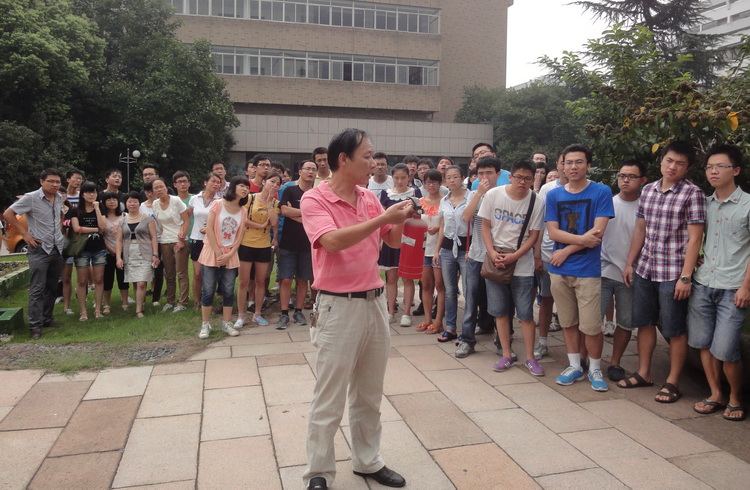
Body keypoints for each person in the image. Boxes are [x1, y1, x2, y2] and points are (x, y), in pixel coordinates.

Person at [300, 128, 410, 490]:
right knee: (329, 396)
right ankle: (318, 471)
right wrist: (383, 219)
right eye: (367, 156)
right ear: (343, 159)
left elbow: (391, 241)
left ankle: (367, 460)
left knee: (369, 393)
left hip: (374, 303)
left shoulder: (369, 197)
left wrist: (400, 218)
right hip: (337, 306)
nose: (374, 163)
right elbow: (331, 241)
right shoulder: (315, 199)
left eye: (374, 155)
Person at [621, 141, 706, 403]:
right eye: (669, 160)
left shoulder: (692, 194)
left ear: (687, 168)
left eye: (680, 163)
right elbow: (640, 229)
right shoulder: (648, 190)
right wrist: (630, 263)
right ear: (661, 161)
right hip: (646, 268)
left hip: (673, 273)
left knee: (674, 328)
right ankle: (644, 373)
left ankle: (673, 382)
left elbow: (695, 238)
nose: (672, 167)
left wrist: (685, 276)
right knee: (644, 323)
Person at [688, 143, 750, 421]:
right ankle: (715, 394)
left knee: (726, 349)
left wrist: (746, 287)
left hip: (733, 288)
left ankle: (735, 398)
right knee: (703, 343)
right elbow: (695, 238)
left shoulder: (748, 205)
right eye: (709, 167)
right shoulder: (704, 204)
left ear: (735, 170)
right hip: (703, 284)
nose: (713, 171)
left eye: (720, 166)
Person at [546, 144, 614, 392]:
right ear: (562, 166)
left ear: (588, 165)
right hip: (559, 270)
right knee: (568, 322)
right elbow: (553, 232)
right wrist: (581, 240)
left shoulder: (601, 191)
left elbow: (598, 233)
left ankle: (595, 368)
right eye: (568, 162)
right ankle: (574, 365)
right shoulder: (554, 195)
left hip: (587, 270)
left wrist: (566, 250)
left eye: (579, 162)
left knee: (592, 326)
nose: (573, 167)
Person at [480, 160, 546, 374]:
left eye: (528, 178)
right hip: (496, 261)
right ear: (510, 177)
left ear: (533, 179)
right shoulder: (493, 195)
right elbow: (485, 226)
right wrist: (492, 253)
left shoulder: (536, 201)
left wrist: (515, 256)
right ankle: (506, 354)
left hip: (522, 265)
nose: (522, 182)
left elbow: (534, 235)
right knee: (500, 312)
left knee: (526, 314)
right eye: (518, 177)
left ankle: (530, 357)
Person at [4, 169, 65, 339]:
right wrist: (25, 234)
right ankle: (35, 326)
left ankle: (46, 319)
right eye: (51, 181)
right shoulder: (31, 198)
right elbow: (8, 213)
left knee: (52, 286)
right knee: (37, 288)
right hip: (39, 248)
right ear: (42, 182)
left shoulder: (59, 197)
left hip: (56, 248)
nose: (55, 185)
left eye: (57, 182)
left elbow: (58, 217)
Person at [601, 161, 647, 381]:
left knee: (625, 322)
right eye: (622, 175)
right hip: (602, 270)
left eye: (631, 176)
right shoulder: (607, 203)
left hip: (630, 274)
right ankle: (585, 359)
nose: (625, 180)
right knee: (592, 320)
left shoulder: (645, 207)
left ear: (643, 180)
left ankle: (615, 362)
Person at [454, 156, 501, 358]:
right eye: (480, 174)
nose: (484, 177)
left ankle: (502, 341)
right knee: (471, 300)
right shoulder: (473, 194)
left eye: (489, 173)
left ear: (498, 174)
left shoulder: (504, 194)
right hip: (475, 255)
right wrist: (479, 193)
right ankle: (467, 340)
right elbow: (465, 217)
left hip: (496, 256)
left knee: (499, 301)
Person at [198, 176, 250, 339]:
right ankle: (205, 324)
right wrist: (218, 252)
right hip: (212, 251)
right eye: (242, 186)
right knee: (208, 290)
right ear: (233, 187)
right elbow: (209, 229)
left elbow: (240, 235)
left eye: (247, 187)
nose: (245, 189)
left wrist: (230, 254)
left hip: (230, 254)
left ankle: (226, 323)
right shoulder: (218, 204)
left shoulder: (243, 211)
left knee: (228, 290)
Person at [236, 172, 281, 327]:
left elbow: (273, 222)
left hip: (263, 245)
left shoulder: (275, 203)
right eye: (272, 181)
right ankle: (241, 315)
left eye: (277, 184)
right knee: (243, 282)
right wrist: (260, 225)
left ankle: (258, 313)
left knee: (261, 281)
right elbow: (243, 219)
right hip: (246, 243)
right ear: (264, 182)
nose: (274, 185)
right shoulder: (250, 198)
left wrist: (270, 201)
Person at [277, 160, 318, 330]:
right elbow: (284, 211)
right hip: (288, 243)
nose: (310, 172)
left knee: (303, 280)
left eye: (313, 169)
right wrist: (306, 214)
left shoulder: (316, 194)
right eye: (307, 168)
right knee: (286, 279)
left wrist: (296, 213)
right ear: (300, 171)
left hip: (308, 244)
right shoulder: (289, 190)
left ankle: (299, 311)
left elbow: (318, 216)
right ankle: (284, 314)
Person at [379, 163, 420, 326]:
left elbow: (419, 215)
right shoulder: (386, 194)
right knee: (391, 277)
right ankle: (390, 311)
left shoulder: (415, 193)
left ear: (409, 177)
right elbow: (382, 219)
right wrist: (381, 240)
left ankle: (407, 313)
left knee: (408, 278)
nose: (400, 181)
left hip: (409, 240)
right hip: (390, 239)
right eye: (396, 178)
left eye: (403, 177)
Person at [533, 152, 566, 360]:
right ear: (558, 164)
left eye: (575, 162)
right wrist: (537, 253)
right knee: (546, 299)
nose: (568, 166)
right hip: (547, 253)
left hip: (574, 256)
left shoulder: (590, 190)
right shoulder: (547, 189)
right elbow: (539, 222)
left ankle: (576, 350)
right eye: (565, 162)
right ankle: (543, 341)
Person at [434, 165, 470, 343]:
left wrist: (473, 249)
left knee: (469, 290)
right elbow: (442, 226)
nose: (452, 180)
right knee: (450, 291)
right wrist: (437, 250)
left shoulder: (472, 197)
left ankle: (468, 330)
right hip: (447, 249)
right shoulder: (444, 200)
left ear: (462, 178)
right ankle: (450, 328)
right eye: (448, 177)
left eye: (455, 176)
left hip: (467, 249)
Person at [116, 192, 160, 318]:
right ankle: (140, 305)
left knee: (141, 282)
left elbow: (154, 237)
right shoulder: (122, 221)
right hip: (130, 254)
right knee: (135, 282)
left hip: (145, 253)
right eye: (129, 201)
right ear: (125, 204)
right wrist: (118, 257)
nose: (132, 204)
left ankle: (138, 311)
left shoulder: (147, 219)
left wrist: (155, 254)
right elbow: (119, 240)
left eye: (135, 201)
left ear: (139, 203)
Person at [152, 177, 191, 312]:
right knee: (169, 274)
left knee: (181, 273)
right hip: (165, 241)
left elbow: (186, 221)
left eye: (161, 186)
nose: (159, 190)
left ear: (166, 187)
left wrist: (181, 240)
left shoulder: (176, 201)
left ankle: (182, 302)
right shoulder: (155, 204)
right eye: (156, 188)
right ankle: (170, 301)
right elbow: (160, 224)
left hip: (179, 240)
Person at [71, 181, 108, 321]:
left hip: (99, 248)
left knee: (99, 279)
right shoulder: (75, 210)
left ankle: (98, 309)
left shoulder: (101, 208)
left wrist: (97, 208)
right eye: (88, 192)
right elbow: (77, 229)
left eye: (94, 192)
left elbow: (103, 227)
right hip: (82, 249)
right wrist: (95, 229)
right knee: (82, 281)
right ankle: (83, 311)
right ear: (82, 194)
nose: (91, 195)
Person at [417, 169, 445, 335]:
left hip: (440, 249)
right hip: (423, 249)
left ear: (440, 183)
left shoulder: (446, 201)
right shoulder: (420, 203)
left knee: (440, 285)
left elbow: (449, 223)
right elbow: (414, 222)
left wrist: (438, 228)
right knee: (426, 284)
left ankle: (438, 321)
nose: (431, 185)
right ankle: (427, 319)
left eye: (434, 182)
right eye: (428, 182)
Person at [188, 172, 222, 309]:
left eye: (218, 182)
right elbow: (187, 216)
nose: (216, 184)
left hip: (212, 240)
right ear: (205, 182)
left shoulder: (220, 201)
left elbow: (220, 221)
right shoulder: (194, 199)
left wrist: (209, 228)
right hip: (197, 238)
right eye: (213, 181)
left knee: (211, 273)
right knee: (198, 273)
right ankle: (196, 300)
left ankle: (208, 300)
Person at [100, 191, 129, 313]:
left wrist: (120, 250)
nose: (112, 202)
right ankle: (107, 304)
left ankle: (125, 302)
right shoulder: (102, 217)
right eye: (109, 200)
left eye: (114, 199)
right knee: (107, 278)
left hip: (124, 251)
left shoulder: (125, 215)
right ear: (104, 202)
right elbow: (101, 235)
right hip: (108, 252)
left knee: (123, 278)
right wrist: (111, 249)